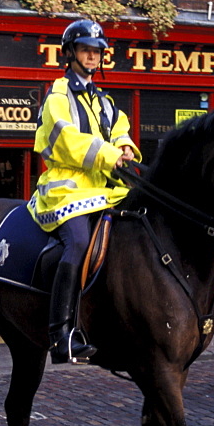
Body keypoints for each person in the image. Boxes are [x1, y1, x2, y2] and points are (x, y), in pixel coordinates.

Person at [28, 19, 140, 363]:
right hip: (66, 192)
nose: (92, 56)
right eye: (86, 50)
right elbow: (66, 141)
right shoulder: (57, 96)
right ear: (71, 54)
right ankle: (60, 335)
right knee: (77, 243)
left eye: (97, 51)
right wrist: (110, 156)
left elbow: (120, 127)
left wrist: (125, 149)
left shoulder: (104, 100)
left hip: (105, 191)